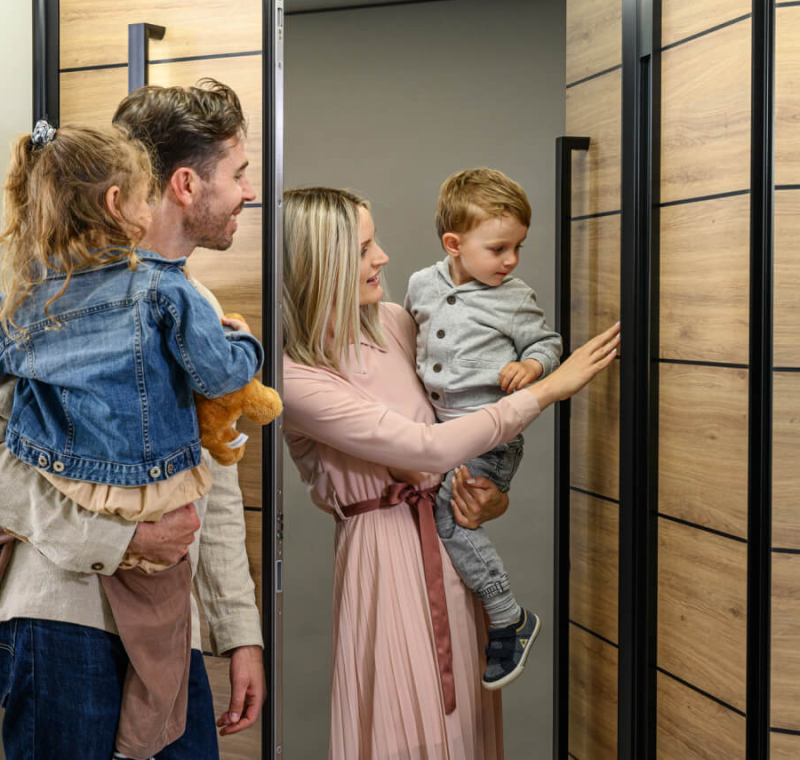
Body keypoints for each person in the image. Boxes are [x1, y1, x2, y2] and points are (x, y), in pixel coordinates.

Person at [281, 186, 619, 759]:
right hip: (383, 561)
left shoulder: (394, 322)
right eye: (363, 249)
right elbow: (426, 447)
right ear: (320, 264)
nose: (383, 256)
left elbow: (461, 414)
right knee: (400, 724)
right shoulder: (296, 377)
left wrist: (490, 497)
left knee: (462, 727)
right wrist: (547, 390)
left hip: (449, 546)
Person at [0, 80, 265, 759]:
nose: (248, 191)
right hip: (62, 615)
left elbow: (215, 479)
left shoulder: (194, 305)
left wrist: (239, 631)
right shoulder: (34, 298)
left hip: (173, 628)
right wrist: (122, 538)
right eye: (238, 173)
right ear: (184, 185)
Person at [403, 167, 561, 691]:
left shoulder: (514, 297)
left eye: (518, 247)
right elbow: (407, 342)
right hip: (441, 436)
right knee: (428, 517)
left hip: (492, 438)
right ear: (454, 244)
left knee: (453, 518)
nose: (511, 260)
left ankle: (508, 617)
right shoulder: (421, 285)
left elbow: (548, 343)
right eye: (498, 249)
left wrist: (532, 366)